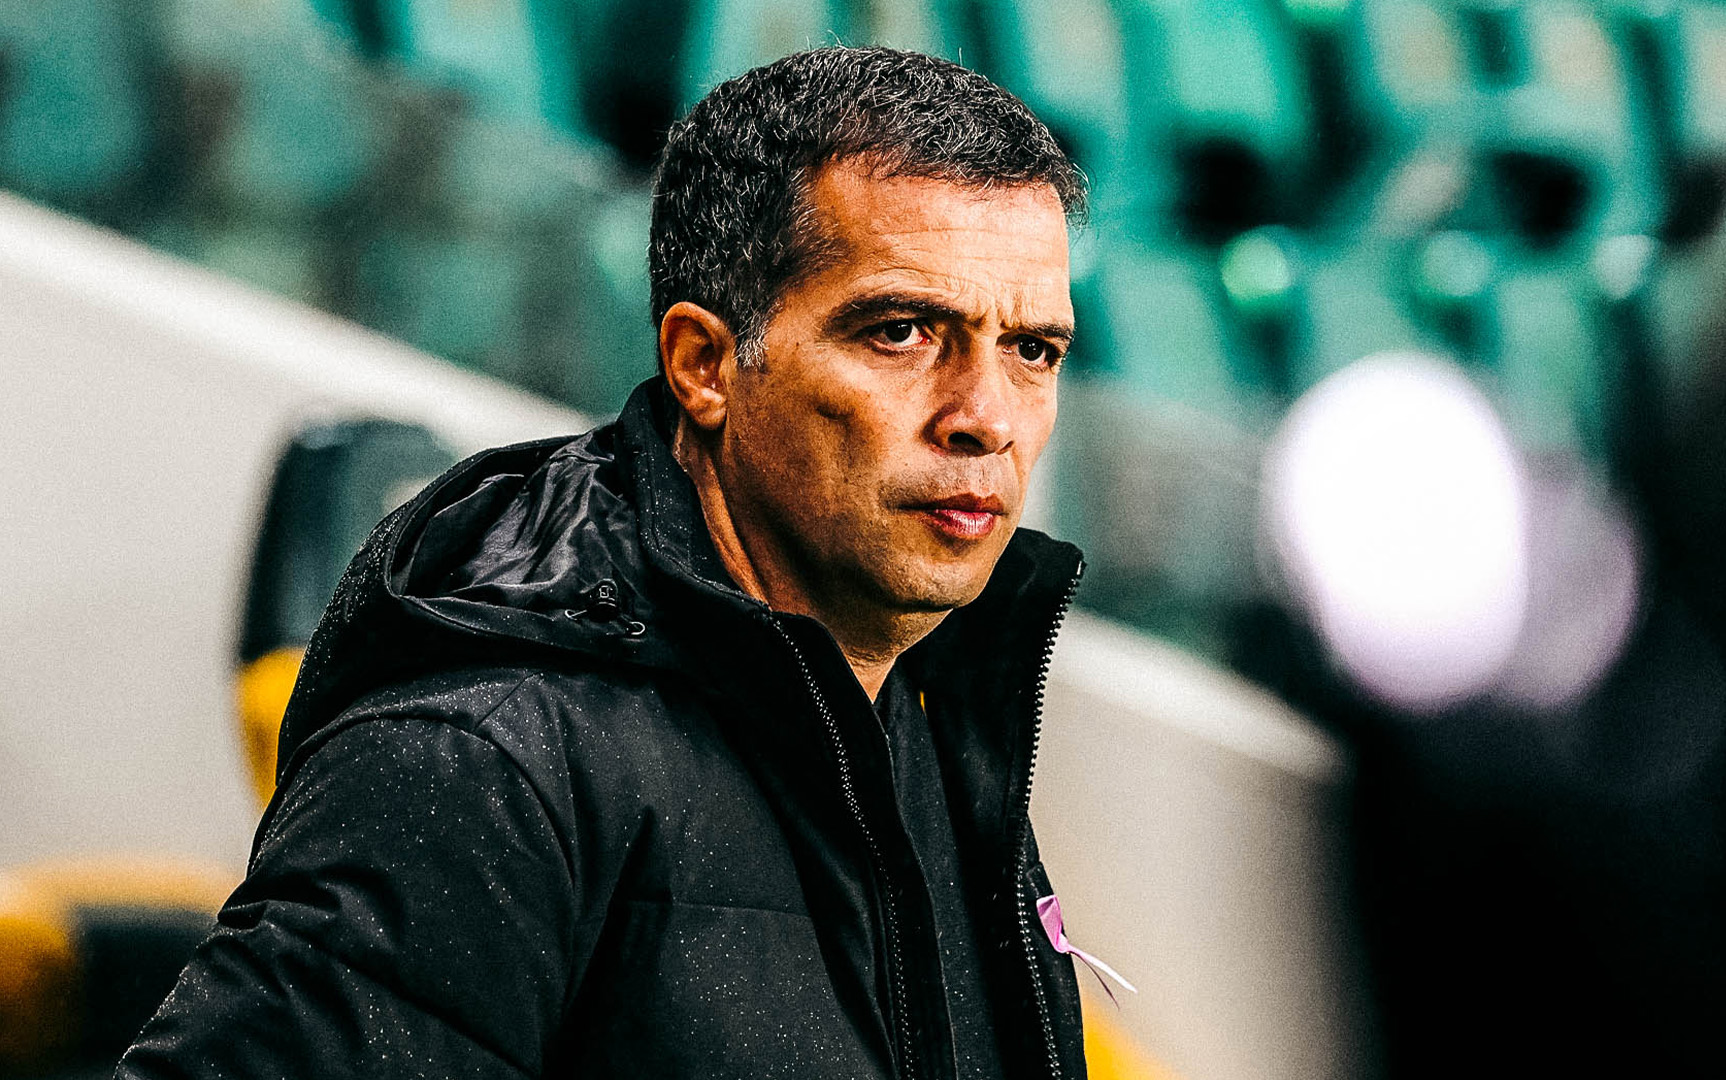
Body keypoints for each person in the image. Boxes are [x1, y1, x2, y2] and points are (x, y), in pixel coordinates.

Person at [118, 46, 1090, 1080]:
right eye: (900, 333)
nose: (988, 418)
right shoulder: (484, 764)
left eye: (1032, 350)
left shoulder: (928, 731)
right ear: (706, 365)